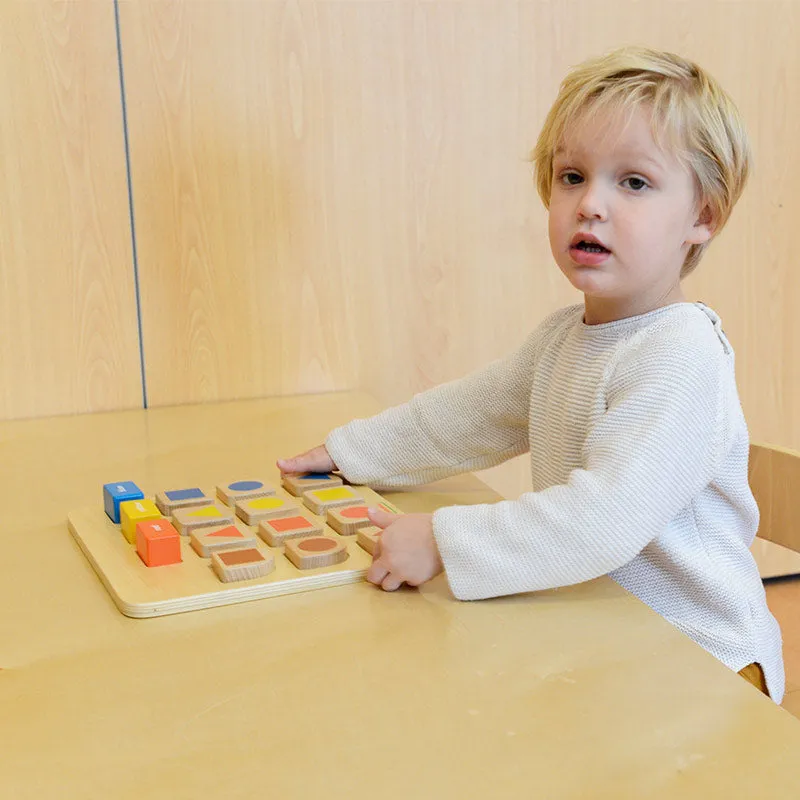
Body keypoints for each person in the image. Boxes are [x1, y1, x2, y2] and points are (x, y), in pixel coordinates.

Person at [277, 46, 784, 702]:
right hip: (607, 636)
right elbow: (468, 415)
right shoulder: (562, 340)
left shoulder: (681, 355)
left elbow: (602, 518)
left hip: (702, 665)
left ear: (703, 216)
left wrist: (444, 541)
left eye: (633, 182)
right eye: (572, 176)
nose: (590, 205)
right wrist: (350, 453)